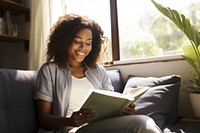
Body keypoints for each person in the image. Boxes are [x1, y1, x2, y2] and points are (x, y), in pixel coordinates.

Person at [34, 13, 162, 133]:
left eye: (88, 43)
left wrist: (123, 110)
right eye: (77, 41)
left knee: (143, 122)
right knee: (141, 122)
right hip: (72, 129)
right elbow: (44, 119)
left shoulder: (98, 71)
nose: (83, 48)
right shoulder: (49, 70)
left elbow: (111, 105)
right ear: (64, 41)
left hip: (101, 126)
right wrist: (70, 121)